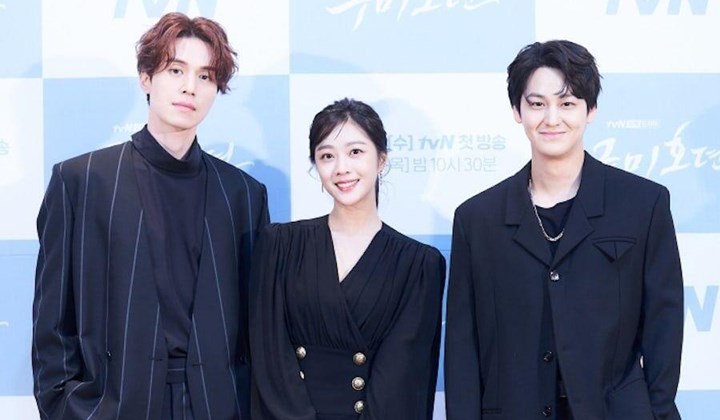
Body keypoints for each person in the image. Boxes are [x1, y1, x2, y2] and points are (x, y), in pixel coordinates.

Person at [32, 12, 269, 420]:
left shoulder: (243, 194)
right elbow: (52, 323)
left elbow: (259, 324)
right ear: (146, 77)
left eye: (206, 76)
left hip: (218, 406)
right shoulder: (81, 181)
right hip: (114, 406)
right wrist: (70, 408)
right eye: (176, 70)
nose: (190, 87)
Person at [444, 40, 683, 419]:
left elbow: (663, 328)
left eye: (567, 103)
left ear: (591, 110)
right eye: (537, 104)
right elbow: (462, 346)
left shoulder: (642, 204)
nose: (552, 118)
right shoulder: (478, 219)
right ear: (517, 110)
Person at [249, 98, 446, 419]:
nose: (341, 168)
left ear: (381, 159)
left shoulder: (419, 265)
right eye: (327, 156)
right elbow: (268, 356)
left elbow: (402, 380)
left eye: (355, 152)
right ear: (315, 166)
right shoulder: (280, 245)